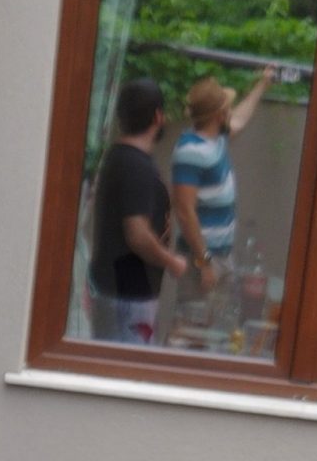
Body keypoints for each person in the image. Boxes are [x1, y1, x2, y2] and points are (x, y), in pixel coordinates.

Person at [86, 76, 188, 344]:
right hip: (127, 299)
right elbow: (137, 234)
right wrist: (171, 261)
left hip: (118, 293)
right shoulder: (135, 167)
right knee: (123, 366)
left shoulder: (119, 157)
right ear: (158, 117)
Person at [171, 69, 274, 287]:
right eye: (227, 107)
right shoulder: (191, 152)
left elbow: (239, 119)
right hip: (203, 259)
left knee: (219, 308)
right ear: (219, 115)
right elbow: (184, 211)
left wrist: (262, 84)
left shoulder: (215, 138)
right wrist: (204, 262)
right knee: (196, 309)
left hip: (221, 255)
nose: (230, 110)